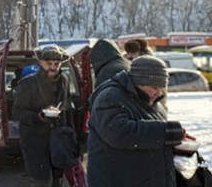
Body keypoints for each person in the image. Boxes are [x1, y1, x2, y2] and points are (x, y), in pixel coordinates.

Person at [87, 56, 185, 186]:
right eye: (154, 87)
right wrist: (167, 132)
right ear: (139, 82)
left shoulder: (154, 102)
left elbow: (150, 138)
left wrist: (175, 142)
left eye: (162, 88)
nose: (159, 93)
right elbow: (119, 133)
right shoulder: (110, 97)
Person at [12, 45, 75, 187]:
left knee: (58, 179)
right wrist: (38, 116)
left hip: (58, 137)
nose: (53, 67)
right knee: (42, 180)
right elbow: (17, 111)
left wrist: (72, 136)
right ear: (40, 63)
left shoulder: (64, 81)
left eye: (56, 64)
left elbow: (67, 108)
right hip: (35, 139)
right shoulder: (28, 83)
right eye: (49, 63)